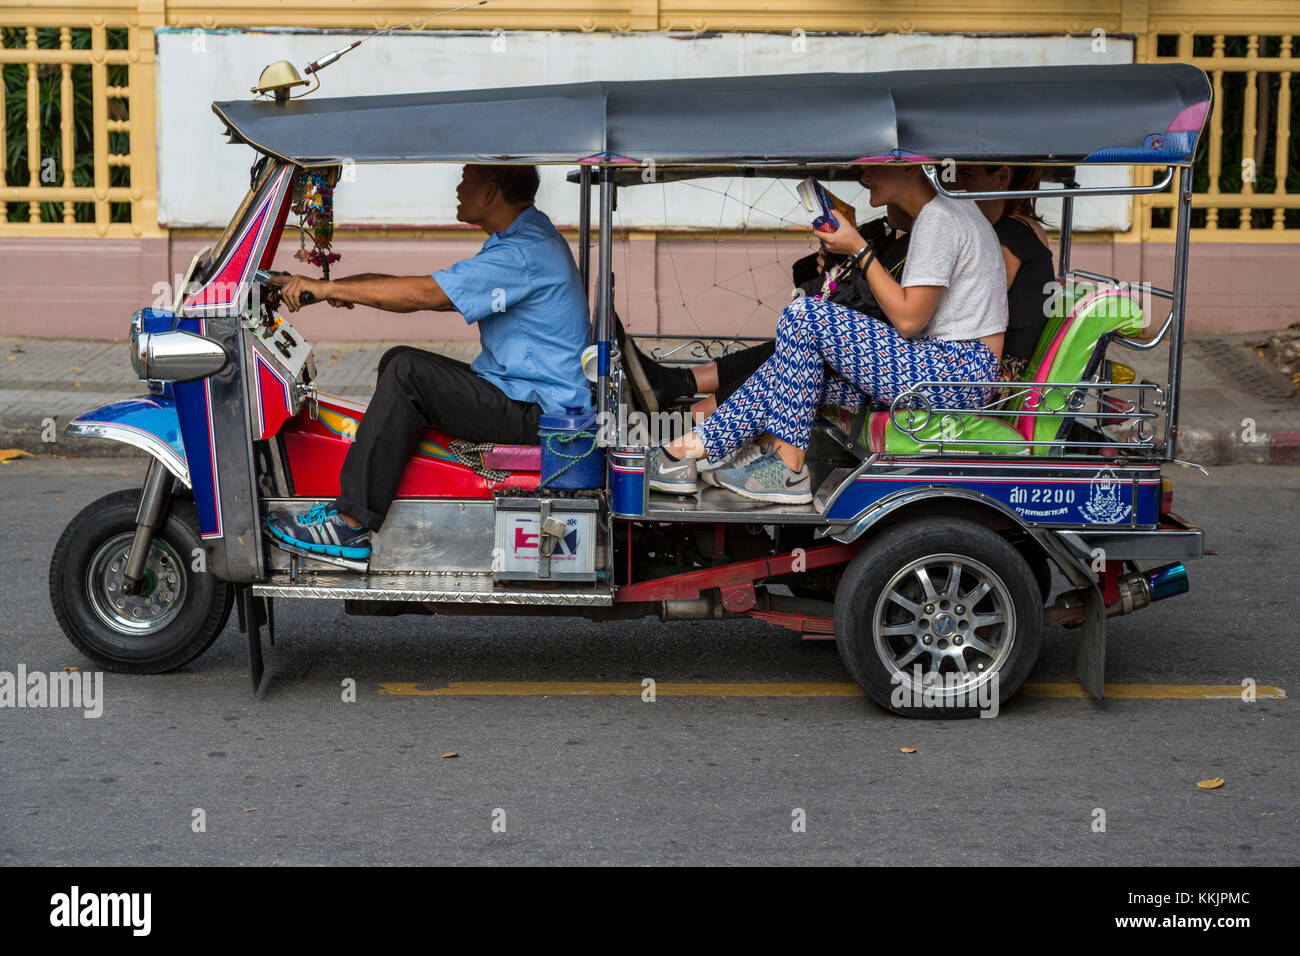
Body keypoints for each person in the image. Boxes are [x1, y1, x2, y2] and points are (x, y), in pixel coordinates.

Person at [263, 164, 590, 561]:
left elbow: (428, 294)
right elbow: (434, 285)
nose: (456, 188)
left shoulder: (521, 254)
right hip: (524, 395)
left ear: (488, 193)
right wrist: (338, 287)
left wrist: (332, 287)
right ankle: (395, 491)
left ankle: (349, 525)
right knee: (400, 360)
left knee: (407, 373)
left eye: (465, 179)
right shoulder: (524, 239)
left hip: (538, 413)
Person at [647, 162, 1008, 505]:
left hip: (957, 372)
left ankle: (787, 468)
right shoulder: (942, 214)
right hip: (948, 370)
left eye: (875, 166)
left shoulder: (940, 218)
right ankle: (682, 452)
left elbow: (909, 320)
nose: (864, 175)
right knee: (791, 370)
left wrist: (860, 250)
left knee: (803, 315)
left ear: (910, 165)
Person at [953, 164, 1054, 383]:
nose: (957, 185)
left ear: (1002, 176)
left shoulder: (1007, 236)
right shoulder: (1024, 227)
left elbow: (969, 311)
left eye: (967, 175)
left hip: (1000, 377)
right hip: (1009, 367)